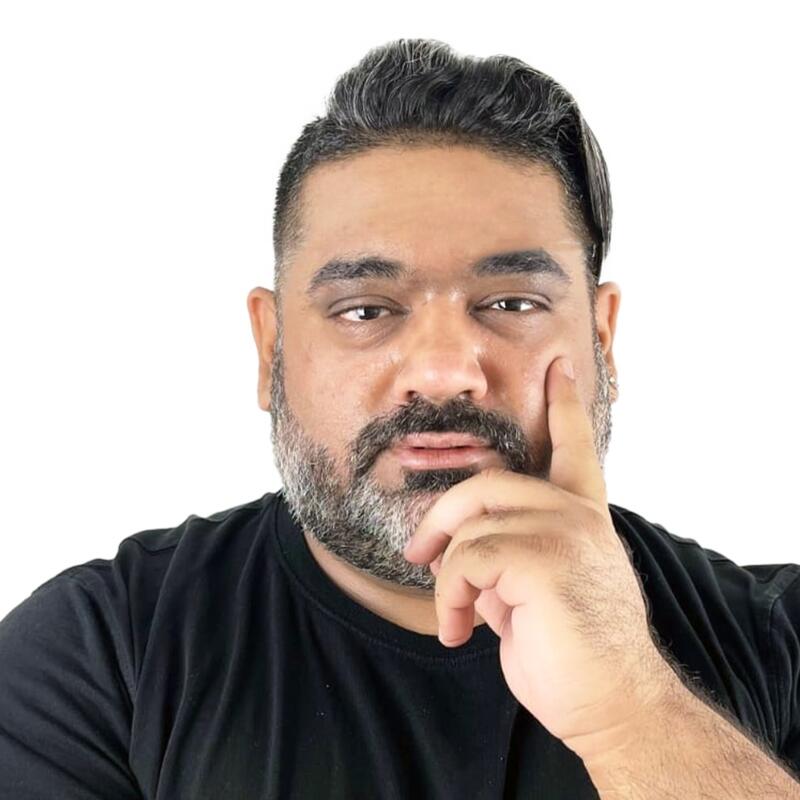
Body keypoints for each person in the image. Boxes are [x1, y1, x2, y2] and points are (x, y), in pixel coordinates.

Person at [1, 38, 798, 799]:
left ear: (602, 339)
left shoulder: (777, 642)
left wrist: (631, 716)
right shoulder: (97, 656)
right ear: (270, 349)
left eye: (512, 303)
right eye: (366, 310)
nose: (444, 372)